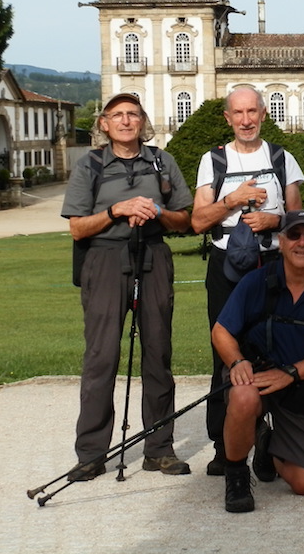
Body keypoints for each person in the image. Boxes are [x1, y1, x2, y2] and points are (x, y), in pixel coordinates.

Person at [60, 93, 193, 480]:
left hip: (153, 255)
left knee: (158, 352)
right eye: (116, 115)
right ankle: (91, 454)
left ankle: (159, 449)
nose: (125, 120)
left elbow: (184, 220)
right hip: (104, 259)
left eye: (132, 114)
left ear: (142, 121)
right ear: (104, 124)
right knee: (101, 356)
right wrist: (116, 210)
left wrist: (157, 211)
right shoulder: (90, 165)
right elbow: (77, 228)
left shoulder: (162, 161)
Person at [192, 86, 304, 475]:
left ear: (263, 114)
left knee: (276, 351)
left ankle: (271, 443)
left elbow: (298, 219)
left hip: (272, 264)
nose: (246, 120)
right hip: (226, 266)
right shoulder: (213, 161)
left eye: (252, 111)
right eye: (238, 113)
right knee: (225, 352)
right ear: (228, 118)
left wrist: (275, 220)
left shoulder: (281, 158)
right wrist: (233, 200)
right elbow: (197, 221)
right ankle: (225, 446)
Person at [211, 210, 304, 511]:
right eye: (294, 235)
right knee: (244, 397)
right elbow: (221, 331)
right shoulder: (255, 281)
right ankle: (236, 474)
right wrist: (237, 363)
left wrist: (289, 374)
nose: (302, 242)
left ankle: (267, 445)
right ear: (282, 242)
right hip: (255, 376)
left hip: (299, 386)